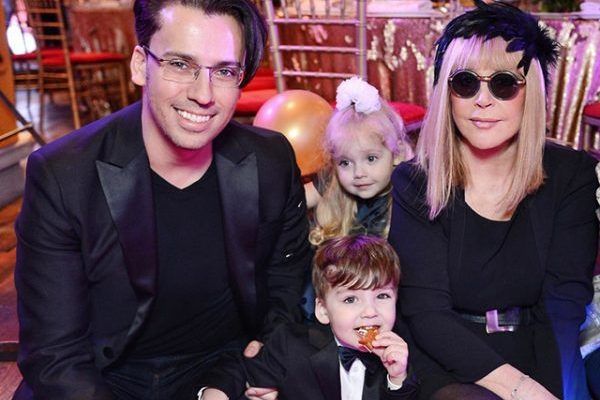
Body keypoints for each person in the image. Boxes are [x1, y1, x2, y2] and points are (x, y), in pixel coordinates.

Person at [13, 1, 312, 399]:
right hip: (101, 378)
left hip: (223, 372)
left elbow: (286, 292)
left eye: (224, 71)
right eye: (180, 64)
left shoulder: (269, 160)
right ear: (141, 65)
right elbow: (55, 356)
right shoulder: (64, 175)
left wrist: (247, 373)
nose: (203, 95)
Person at [388, 1, 599, 399]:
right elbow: (427, 313)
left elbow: (563, 306)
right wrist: (521, 390)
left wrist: (555, 391)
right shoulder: (416, 181)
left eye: (503, 83)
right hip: (444, 354)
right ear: (447, 94)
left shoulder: (571, 176)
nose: (482, 100)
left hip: (538, 347)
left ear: (530, 94)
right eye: (465, 82)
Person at [200, 235, 419, 400]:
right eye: (351, 299)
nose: (370, 311)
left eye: (382, 296)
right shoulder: (292, 345)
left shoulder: (402, 356)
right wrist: (215, 393)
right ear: (323, 310)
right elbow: (237, 369)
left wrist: (397, 379)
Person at [306, 76, 413, 244]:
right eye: (345, 163)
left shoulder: (409, 197)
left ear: (397, 153)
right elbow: (287, 201)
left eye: (371, 158)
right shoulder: (332, 181)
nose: (358, 173)